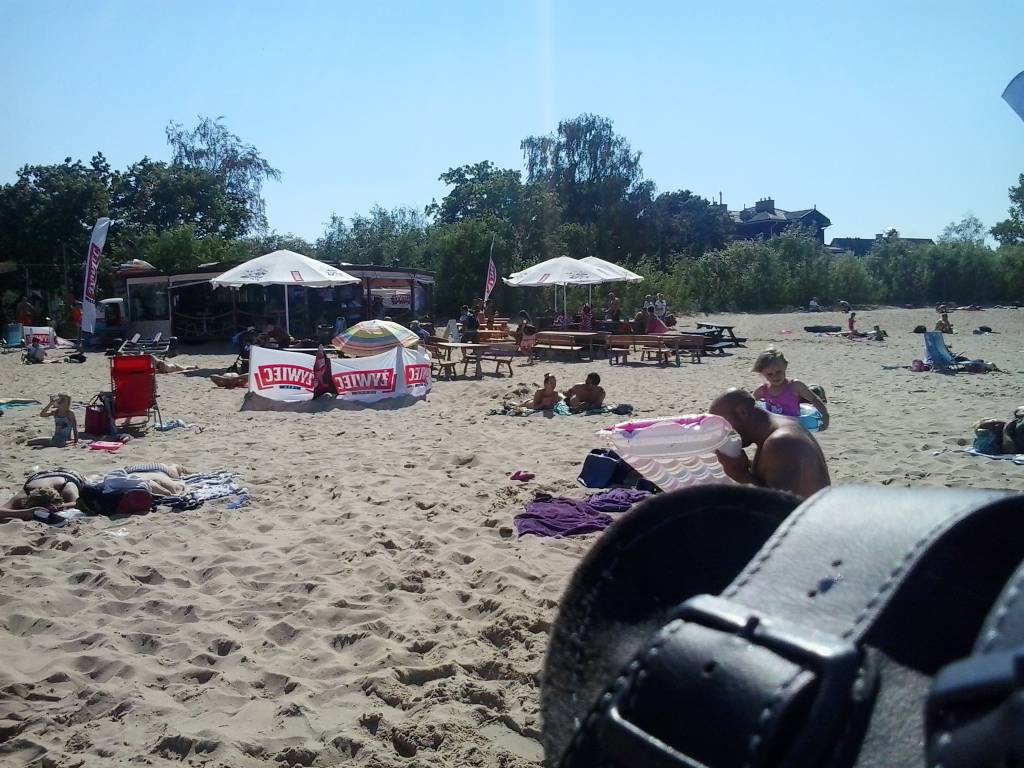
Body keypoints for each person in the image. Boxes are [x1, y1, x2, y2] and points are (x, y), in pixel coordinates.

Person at [710, 389, 831, 499]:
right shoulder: (781, 427)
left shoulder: (781, 442)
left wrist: (740, 474)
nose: (722, 433)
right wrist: (746, 465)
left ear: (742, 412)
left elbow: (782, 506)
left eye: (722, 425)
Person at [751, 347, 830, 430]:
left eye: (778, 372)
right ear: (762, 373)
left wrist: (825, 416)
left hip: (794, 427)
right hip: (773, 427)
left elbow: (814, 399)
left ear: (785, 366)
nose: (775, 376)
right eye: (770, 374)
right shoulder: (763, 389)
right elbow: (749, 402)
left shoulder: (795, 386)